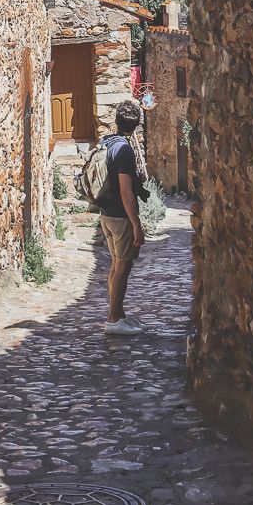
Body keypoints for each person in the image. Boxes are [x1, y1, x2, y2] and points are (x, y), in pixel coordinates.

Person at [98, 101, 145, 334]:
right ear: (136, 125)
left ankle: (119, 314)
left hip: (106, 214)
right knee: (122, 268)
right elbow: (126, 192)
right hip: (120, 216)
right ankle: (114, 319)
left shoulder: (107, 142)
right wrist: (136, 224)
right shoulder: (125, 150)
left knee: (116, 265)